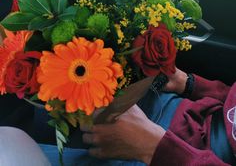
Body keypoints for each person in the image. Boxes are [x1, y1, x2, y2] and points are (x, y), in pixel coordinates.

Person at [0, 68, 235, 165]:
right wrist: (189, 84)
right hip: (190, 114)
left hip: (174, 157)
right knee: (48, 108)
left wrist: (153, 148)